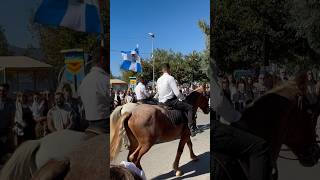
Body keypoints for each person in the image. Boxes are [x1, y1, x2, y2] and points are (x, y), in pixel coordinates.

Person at [212, 64, 273, 180]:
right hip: (221, 125)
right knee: (260, 147)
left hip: (228, 119)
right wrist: (238, 118)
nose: (221, 81)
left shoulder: (250, 92)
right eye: (220, 78)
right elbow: (222, 106)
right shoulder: (231, 93)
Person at [155, 63, 196, 137]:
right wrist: (184, 98)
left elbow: (158, 92)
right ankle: (191, 128)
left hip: (160, 102)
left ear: (162, 70)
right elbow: (177, 93)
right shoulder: (170, 78)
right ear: (168, 69)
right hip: (170, 102)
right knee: (190, 108)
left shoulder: (158, 80)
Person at [78, 49, 109, 133]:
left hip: (89, 123)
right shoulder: (105, 79)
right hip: (105, 124)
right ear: (103, 59)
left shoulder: (84, 81)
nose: (108, 63)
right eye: (107, 60)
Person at [0, 83, 15, 160]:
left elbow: (12, 118)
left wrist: (11, 132)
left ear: (7, 91)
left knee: (4, 153)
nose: (1, 92)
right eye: (0, 90)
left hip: (5, 131)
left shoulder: (10, 103)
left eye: (4, 91)